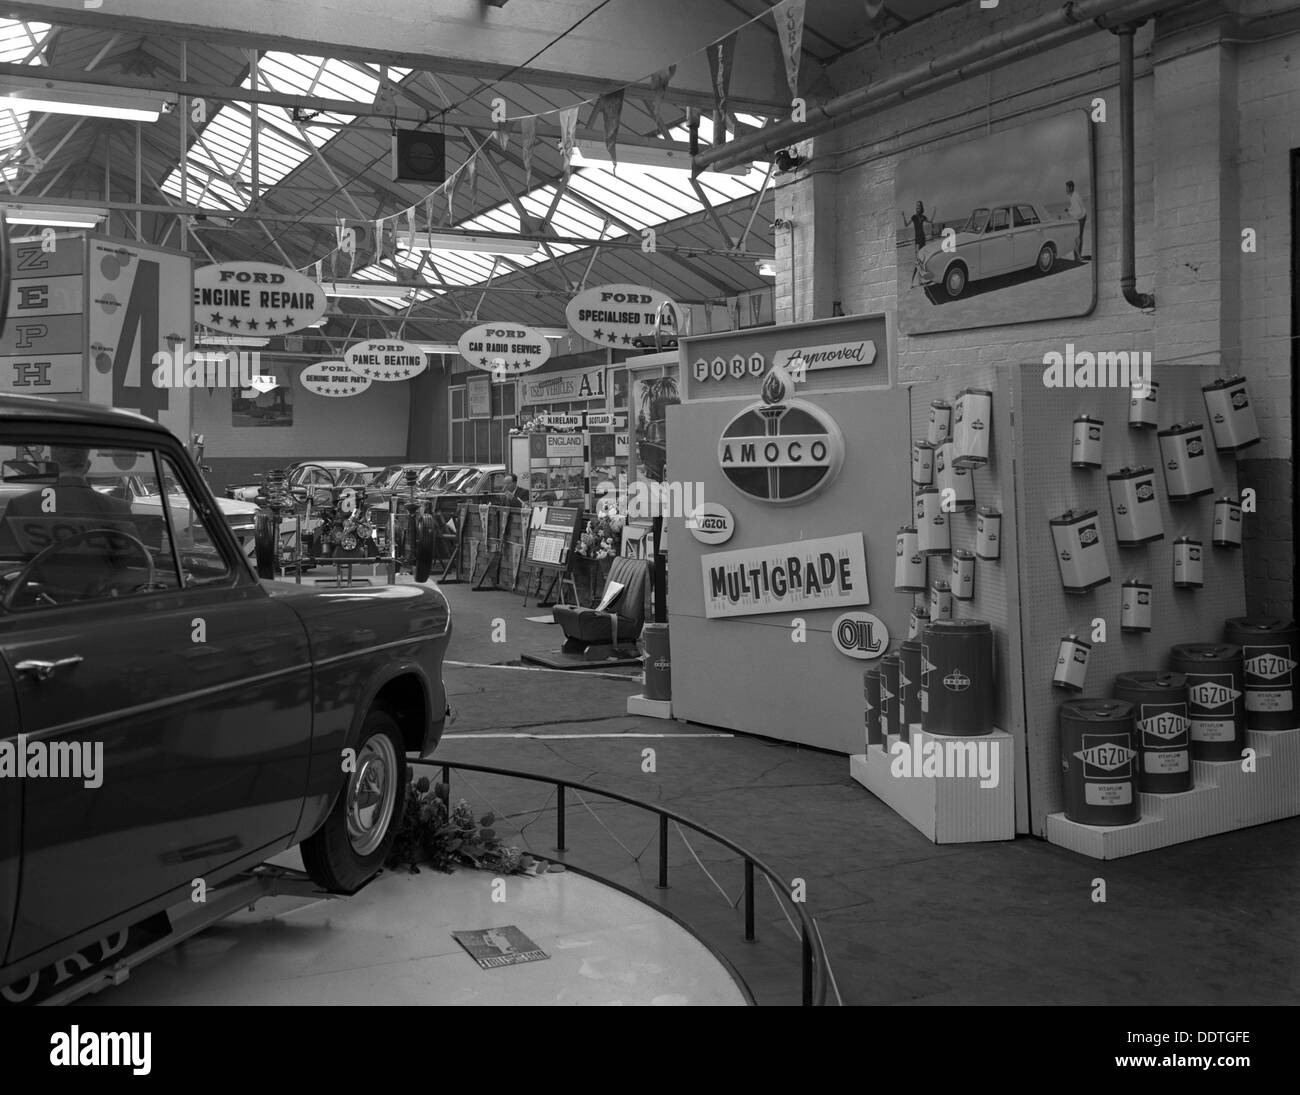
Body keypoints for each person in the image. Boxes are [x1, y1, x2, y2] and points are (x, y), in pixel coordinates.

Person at [904, 201, 933, 286]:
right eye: (916, 206)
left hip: (923, 239)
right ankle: (912, 282)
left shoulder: (923, 217)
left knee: (922, 260)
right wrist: (903, 216)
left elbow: (930, 221)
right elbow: (906, 225)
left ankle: (920, 281)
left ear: (921, 208)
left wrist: (935, 212)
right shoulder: (914, 217)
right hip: (917, 241)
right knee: (917, 261)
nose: (917, 208)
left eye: (919, 206)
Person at [1066, 180, 1088, 262]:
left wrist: (1070, 213)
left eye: (1067, 188)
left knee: (1077, 237)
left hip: (1081, 217)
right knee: (1078, 237)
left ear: (1071, 188)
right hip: (1081, 216)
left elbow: (1078, 212)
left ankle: (1077, 258)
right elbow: (1075, 207)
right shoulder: (1073, 195)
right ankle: (1078, 257)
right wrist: (1069, 210)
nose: (1066, 189)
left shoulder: (1074, 197)